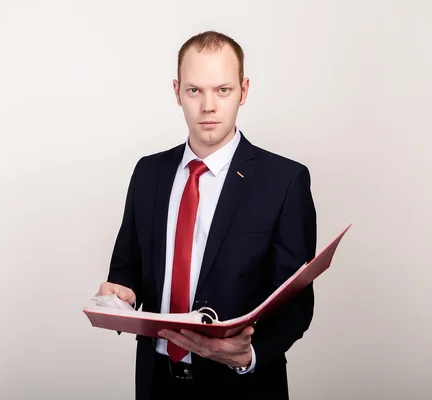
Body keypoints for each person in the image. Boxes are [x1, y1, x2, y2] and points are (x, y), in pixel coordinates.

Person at [95, 30, 317, 399]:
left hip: (243, 386)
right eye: (194, 90)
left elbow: (295, 301)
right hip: (157, 383)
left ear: (243, 91)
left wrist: (248, 355)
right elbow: (126, 268)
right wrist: (119, 295)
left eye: (223, 90)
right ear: (176, 91)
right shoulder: (148, 173)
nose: (208, 105)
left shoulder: (285, 180)